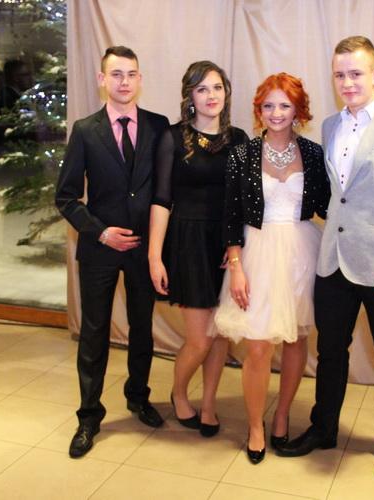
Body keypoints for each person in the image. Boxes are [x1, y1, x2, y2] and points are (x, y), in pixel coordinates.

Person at [275, 36, 374, 481]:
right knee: (330, 353)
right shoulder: (330, 126)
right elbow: (337, 197)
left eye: (356, 74)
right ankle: (324, 428)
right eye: (340, 75)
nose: (347, 83)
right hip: (334, 261)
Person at [55, 46, 170, 458]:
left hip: (143, 248)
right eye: (116, 74)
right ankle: (89, 415)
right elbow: (66, 198)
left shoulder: (158, 126)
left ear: (140, 79)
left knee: (142, 328)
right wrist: (101, 233)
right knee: (94, 332)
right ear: (102, 80)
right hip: (100, 248)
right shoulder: (85, 130)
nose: (124, 81)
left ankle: (138, 396)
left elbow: (165, 190)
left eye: (131, 74)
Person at [214, 73, 329, 464]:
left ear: (298, 110)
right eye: (268, 106)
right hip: (256, 252)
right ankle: (255, 426)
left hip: (302, 251)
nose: (276, 113)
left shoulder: (313, 153)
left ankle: (281, 416)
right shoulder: (242, 154)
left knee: (296, 339)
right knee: (259, 344)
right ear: (258, 110)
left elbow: (328, 205)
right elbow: (231, 213)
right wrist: (236, 266)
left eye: (284, 105)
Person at [148, 61, 247, 437]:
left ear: (226, 93)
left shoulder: (239, 139)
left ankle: (208, 404)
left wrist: (236, 248)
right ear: (190, 96)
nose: (211, 95)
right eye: (202, 89)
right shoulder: (172, 138)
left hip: (226, 246)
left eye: (217, 87)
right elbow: (161, 200)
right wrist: (154, 255)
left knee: (220, 334)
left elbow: (244, 200)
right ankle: (178, 393)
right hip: (188, 243)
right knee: (200, 338)